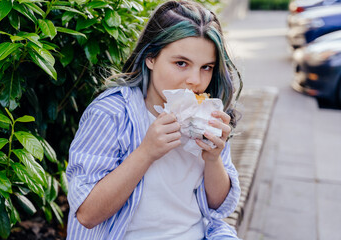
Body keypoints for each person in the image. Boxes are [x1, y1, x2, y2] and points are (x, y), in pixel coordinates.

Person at [66, 0, 243, 239]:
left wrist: (213, 160)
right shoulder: (111, 112)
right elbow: (87, 215)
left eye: (206, 67)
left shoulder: (209, 113)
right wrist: (146, 152)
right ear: (151, 57)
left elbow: (217, 206)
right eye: (181, 63)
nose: (195, 80)